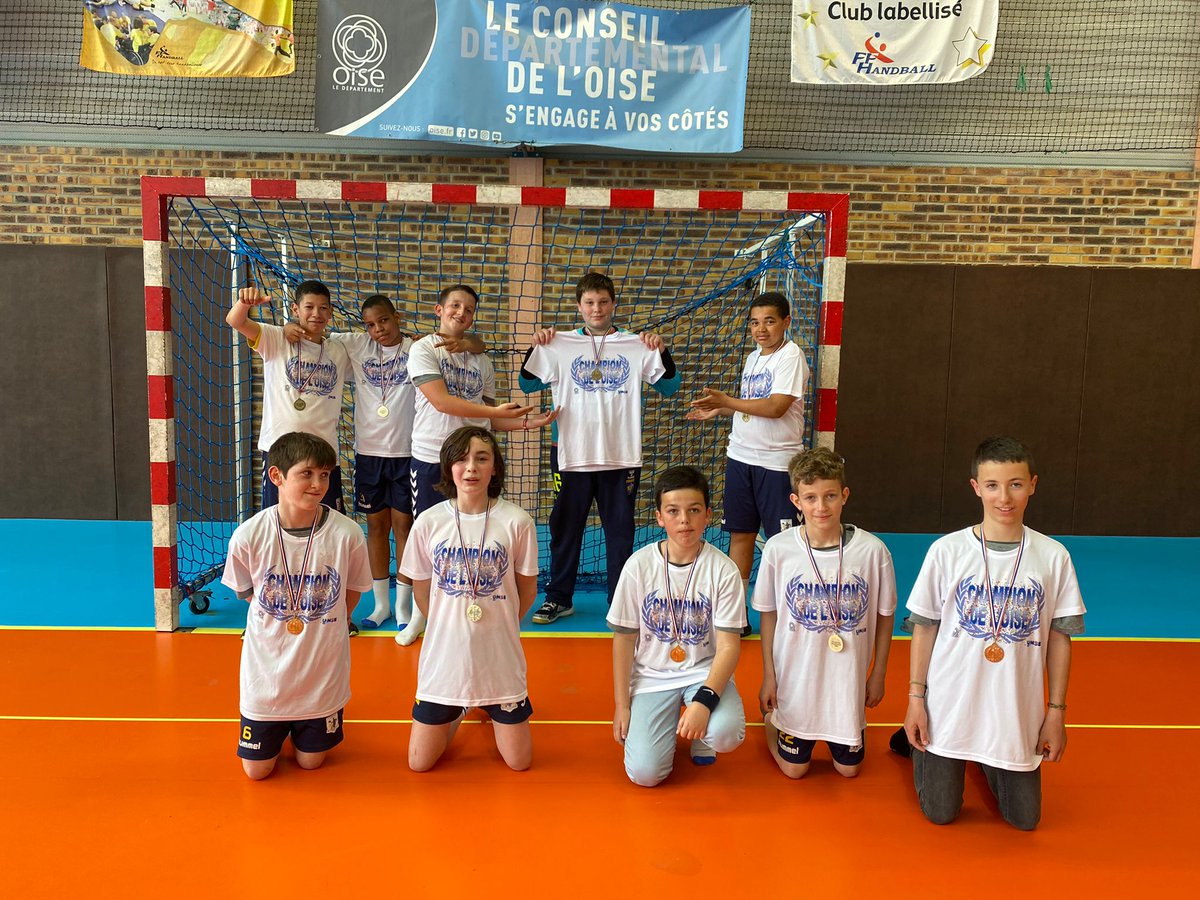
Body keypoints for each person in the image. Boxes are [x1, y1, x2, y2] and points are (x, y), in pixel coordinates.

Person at [901, 436, 1086, 830]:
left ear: (1033, 484)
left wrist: (1056, 712)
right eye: (992, 485)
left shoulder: (1053, 557)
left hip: (1012, 709)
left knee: (1025, 820)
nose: (1004, 497)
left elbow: (1059, 638)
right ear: (976, 487)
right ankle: (919, 749)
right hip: (950, 703)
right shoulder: (947, 551)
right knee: (941, 812)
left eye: (1016, 484)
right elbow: (924, 627)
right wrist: (916, 699)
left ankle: (985, 755)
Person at [521, 271, 681, 624]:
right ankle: (559, 597)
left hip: (620, 456)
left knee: (620, 531)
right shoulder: (558, 343)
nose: (597, 309)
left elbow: (670, 388)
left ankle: (619, 600)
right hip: (570, 455)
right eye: (590, 303)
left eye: (603, 302)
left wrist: (663, 352)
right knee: (564, 527)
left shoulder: (636, 343)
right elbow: (527, 384)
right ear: (579, 306)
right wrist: (537, 346)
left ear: (613, 304)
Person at [401, 284, 557, 645]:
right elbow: (441, 402)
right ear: (439, 310)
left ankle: (469, 604)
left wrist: (523, 424)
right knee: (429, 538)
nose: (461, 313)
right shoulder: (423, 349)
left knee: (469, 538)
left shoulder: (481, 361)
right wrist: (493, 412)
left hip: (471, 458)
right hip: (432, 458)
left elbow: (486, 420)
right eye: (455, 305)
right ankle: (420, 616)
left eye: (469, 309)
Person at [221, 432, 372, 780]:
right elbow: (246, 592)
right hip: (267, 675)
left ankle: (306, 722)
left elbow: (352, 591)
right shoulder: (250, 535)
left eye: (325, 474)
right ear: (277, 476)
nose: (318, 483)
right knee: (256, 772)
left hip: (321, 674)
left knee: (311, 761)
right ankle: (275, 720)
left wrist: (330, 621)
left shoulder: (346, 534)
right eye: (307, 473)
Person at [399, 426, 539, 772]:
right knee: (419, 763)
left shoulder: (517, 521)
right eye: (461, 459)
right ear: (449, 468)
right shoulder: (429, 522)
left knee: (519, 762)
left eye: (481, 458)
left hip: (500, 659)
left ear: (495, 468)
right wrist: (445, 625)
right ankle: (459, 709)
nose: (471, 467)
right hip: (443, 661)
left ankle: (487, 704)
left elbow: (528, 588)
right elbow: (420, 586)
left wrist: (503, 622)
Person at [754, 448, 896, 779]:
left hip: (846, 684)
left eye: (830, 496)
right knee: (794, 770)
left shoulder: (872, 551)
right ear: (796, 500)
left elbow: (886, 616)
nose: (821, 506)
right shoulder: (779, 549)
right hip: (795, 680)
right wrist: (769, 675)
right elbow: (769, 614)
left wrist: (878, 673)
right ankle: (773, 722)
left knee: (849, 771)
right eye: (811, 497)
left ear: (844, 496)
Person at [608, 466, 746, 786]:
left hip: (702, 673)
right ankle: (665, 720)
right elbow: (624, 640)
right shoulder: (638, 567)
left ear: (708, 515)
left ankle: (700, 730)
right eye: (673, 511)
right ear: (659, 517)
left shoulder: (723, 570)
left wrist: (704, 702)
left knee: (726, 734)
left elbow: (728, 645)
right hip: (652, 676)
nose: (684, 520)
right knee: (645, 775)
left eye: (694, 510)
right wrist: (622, 706)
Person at [686, 292, 809, 617]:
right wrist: (721, 411)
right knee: (740, 535)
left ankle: (789, 611)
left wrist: (726, 400)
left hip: (776, 465)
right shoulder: (754, 357)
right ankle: (734, 613)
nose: (761, 329)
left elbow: (776, 407)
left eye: (769, 321)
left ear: (786, 322)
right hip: (741, 459)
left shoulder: (791, 356)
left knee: (784, 543)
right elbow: (752, 407)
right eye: (755, 322)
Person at [226, 281, 349, 512]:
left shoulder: (339, 350)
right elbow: (236, 321)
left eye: (323, 308)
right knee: (280, 521)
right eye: (309, 307)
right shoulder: (277, 339)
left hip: (325, 454)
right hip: (281, 452)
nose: (316, 314)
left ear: (330, 312)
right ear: (295, 310)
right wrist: (244, 303)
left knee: (328, 523)